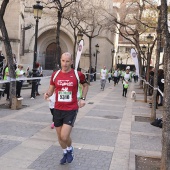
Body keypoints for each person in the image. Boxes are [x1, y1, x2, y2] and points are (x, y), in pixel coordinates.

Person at [44, 52, 88, 165]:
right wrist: (47, 94)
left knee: (64, 136)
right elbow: (51, 88)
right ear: (60, 60)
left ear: (72, 62)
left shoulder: (78, 74)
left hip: (71, 109)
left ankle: (70, 148)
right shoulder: (55, 74)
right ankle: (65, 152)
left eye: (67, 61)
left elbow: (86, 85)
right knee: (59, 137)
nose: (65, 64)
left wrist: (82, 98)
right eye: (63, 61)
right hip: (57, 108)